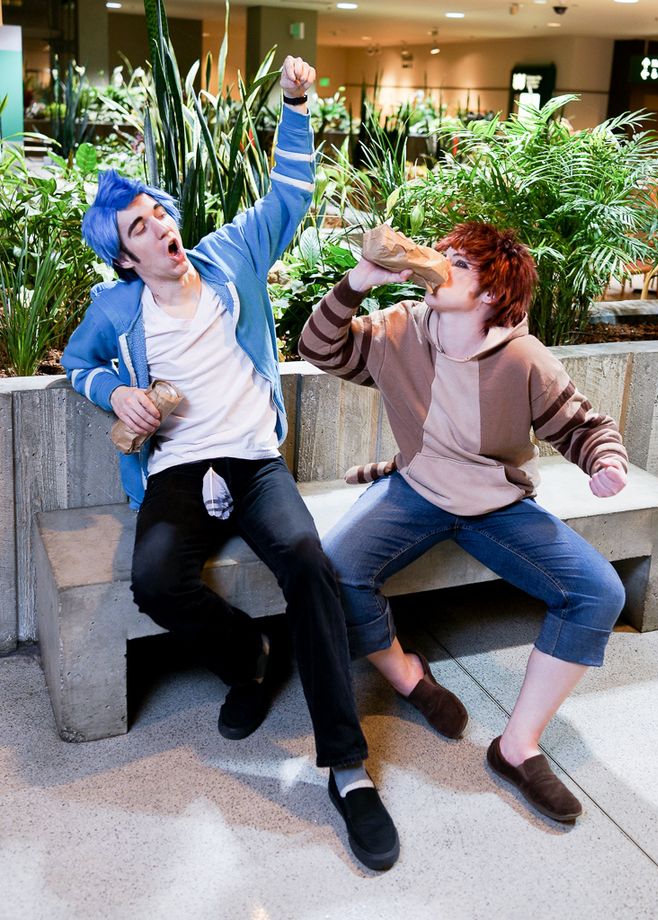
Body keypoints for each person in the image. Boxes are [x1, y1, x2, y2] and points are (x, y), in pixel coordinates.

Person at [61, 57, 399, 871]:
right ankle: (248, 658)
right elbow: (76, 363)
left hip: (252, 460)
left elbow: (289, 197)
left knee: (309, 561)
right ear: (124, 254)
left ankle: (347, 772)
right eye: (138, 228)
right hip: (177, 470)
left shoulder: (227, 259)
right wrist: (116, 392)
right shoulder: (116, 308)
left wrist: (295, 103)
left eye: (158, 214)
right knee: (153, 582)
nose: (158, 229)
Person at [298, 221, 628, 824]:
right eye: (443, 252)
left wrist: (604, 462)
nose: (441, 262)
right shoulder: (399, 327)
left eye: (462, 263)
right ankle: (406, 676)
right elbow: (320, 350)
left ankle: (517, 747)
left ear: (490, 296)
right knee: (336, 566)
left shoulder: (523, 357)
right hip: (415, 489)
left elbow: (583, 426)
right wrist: (358, 282)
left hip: (495, 505)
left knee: (598, 591)